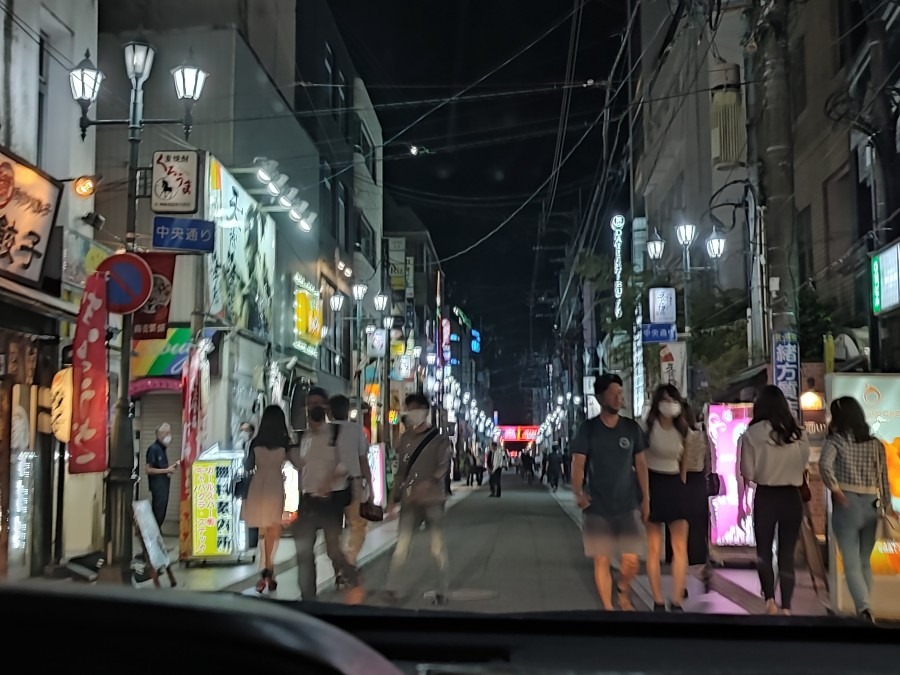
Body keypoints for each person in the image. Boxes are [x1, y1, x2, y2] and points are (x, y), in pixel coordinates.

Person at [571, 373, 650, 611]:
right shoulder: (589, 429)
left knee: (632, 561)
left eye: (620, 393)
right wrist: (578, 493)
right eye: (613, 393)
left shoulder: (631, 428)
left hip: (627, 504)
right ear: (600, 397)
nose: (619, 398)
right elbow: (578, 463)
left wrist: (646, 498)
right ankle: (609, 608)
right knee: (602, 559)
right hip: (597, 506)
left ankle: (622, 589)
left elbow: (642, 465)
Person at [819, 396, 894, 622]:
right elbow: (884, 479)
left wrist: (835, 489)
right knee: (864, 562)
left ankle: (864, 608)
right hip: (871, 504)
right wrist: (888, 508)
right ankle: (865, 608)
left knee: (851, 564)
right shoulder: (875, 444)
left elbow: (824, 464)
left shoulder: (836, 442)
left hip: (847, 505)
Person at [739, 385, 810, 615]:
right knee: (787, 554)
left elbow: (747, 472)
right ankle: (787, 606)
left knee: (764, 551)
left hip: (766, 496)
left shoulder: (751, 434)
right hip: (792, 497)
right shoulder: (799, 434)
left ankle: (769, 600)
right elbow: (804, 466)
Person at [291, 387, 364, 603]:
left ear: (326, 408)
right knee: (303, 552)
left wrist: (328, 481)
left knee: (333, 550)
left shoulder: (335, 433)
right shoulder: (302, 436)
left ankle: (350, 574)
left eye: (319, 403)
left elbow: (345, 464)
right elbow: (301, 466)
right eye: (310, 403)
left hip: (329, 501)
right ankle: (308, 599)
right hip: (307, 501)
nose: (314, 407)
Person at [385, 393, 452, 605]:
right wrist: (393, 496)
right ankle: (393, 588)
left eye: (415, 408)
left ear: (425, 410)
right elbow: (401, 471)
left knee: (437, 546)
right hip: (410, 501)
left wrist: (430, 481)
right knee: (402, 545)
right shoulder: (405, 440)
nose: (411, 412)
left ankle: (443, 589)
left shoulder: (439, 439)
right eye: (409, 408)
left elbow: (443, 465)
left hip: (433, 500)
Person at [643, 384, 692, 611]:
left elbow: (684, 462)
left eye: (673, 400)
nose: (669, 404)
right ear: (657, 403)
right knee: (654, 547)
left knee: (680, 547)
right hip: (653, 483)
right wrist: (644, 495)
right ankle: (658, 599)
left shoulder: (683, 429)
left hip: (675, 485)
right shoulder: (648, 426)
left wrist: (682, 485)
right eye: (664, 399)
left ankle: (677, 599)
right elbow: (640, 461)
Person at [242, 406, 297, 593]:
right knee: (274, 528)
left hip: (258, 485)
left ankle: (267, 570)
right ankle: (268, 569)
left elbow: (248, 464)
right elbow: (297, 462)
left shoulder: (256, 441)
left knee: (263, 529)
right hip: (275, 486)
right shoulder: (284, 442)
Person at [328, 394, 375, 585]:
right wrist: (369, 484)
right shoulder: (357, 430)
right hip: (354, 483)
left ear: (329, 412)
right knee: (358, 525)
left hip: (328, 486)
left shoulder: (323, 431)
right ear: (347, 410)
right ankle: (349, 559)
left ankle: (340, 569)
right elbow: (364, 460)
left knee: (333, 530)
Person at [145, 423, 179, 528]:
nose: (169, 435)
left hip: (164, 485)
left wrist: (171, 468)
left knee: (162, 511)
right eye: (167, 433)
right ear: (160, 434)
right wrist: (166, 470)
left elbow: (163, 469)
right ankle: (153, 533)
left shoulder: (163, 450)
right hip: (157, 485)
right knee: (158, 512)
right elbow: (148, 469)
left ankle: (157, 531)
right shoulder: (153, 449)